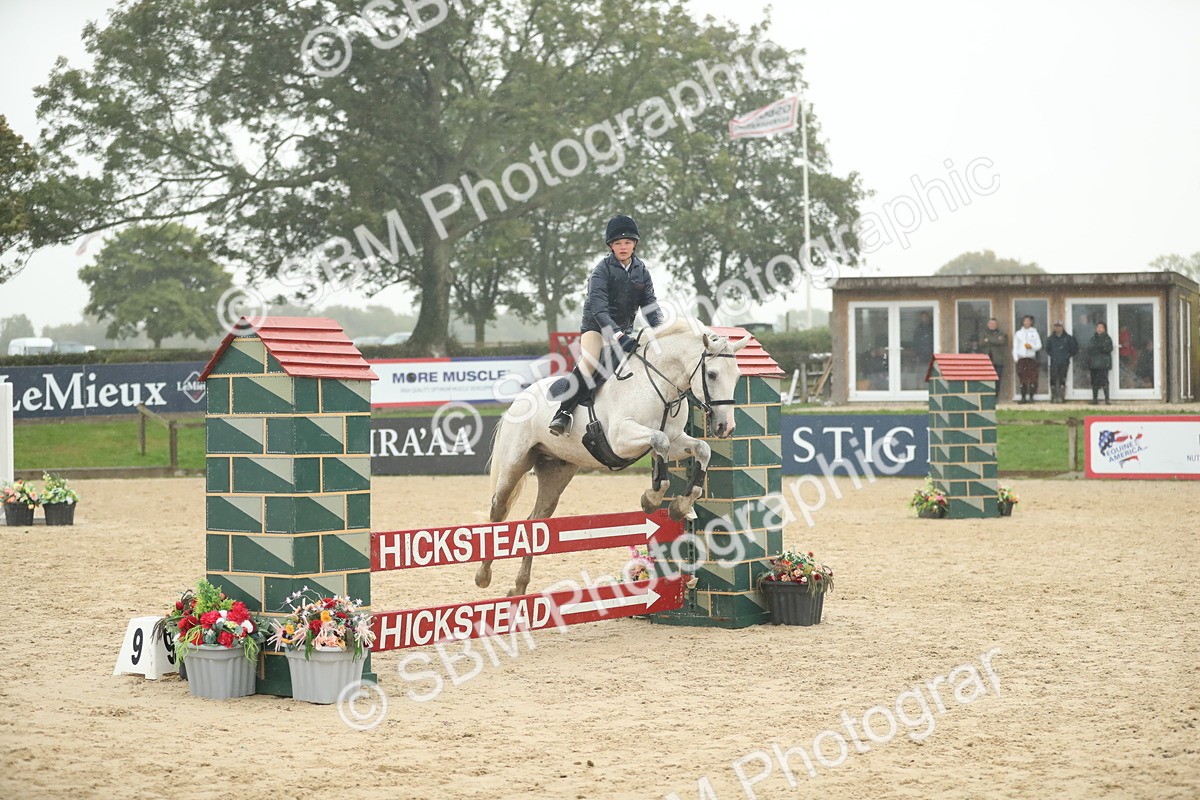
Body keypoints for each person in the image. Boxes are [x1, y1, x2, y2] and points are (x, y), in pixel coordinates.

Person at [549, 215, 664, 436]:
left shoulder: (642, 270)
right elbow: (599, 310)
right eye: (618, 243)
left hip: (624, 332)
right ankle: (563, 413)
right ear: (611, 246)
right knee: (591, 362)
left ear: (635, 244)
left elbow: (650, 306)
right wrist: (619, 336)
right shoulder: (601, 271)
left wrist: (660, 332)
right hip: (596, 328)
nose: (623, 247)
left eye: (627, 242)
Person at [1044, 321, 1078, 403]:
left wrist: (1067, 356)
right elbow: (1047, 349)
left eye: (1059, 326)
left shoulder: (1068, 338)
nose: (1057, 328)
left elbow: (1074, 349)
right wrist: (1053, 356)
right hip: (1054, 362)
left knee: (1062, 379)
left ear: (1062, 327)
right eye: (1056, 326)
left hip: (1064, 362)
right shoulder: (1051, 339)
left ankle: (1061, 397)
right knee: (1053, 379)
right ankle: (1053, 397)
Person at [1011, 315, 1042, 403]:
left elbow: (1039, 346)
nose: (1026, 323)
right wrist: (1016, 359)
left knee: (1032, 378)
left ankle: (1031, 397)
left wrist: (1031, 347)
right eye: (1025, 321)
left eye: (1028, 321)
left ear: (1031, 322)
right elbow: (1015, 347)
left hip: (1031, 358)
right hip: (1021, 359)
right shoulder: (1018, 333)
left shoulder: (1034, 333)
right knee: (1022, 378)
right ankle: (1023, 397)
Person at [977, 318, 1009, 399]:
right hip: (986, 362)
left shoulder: (1001, 333)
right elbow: (981, 343)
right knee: (986, 380)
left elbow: (1002, 342)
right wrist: (995, 340)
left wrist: (988, 340)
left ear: (996, 325)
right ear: (988, 324)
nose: (992, 325)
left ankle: (995, 397)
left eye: (994, 324)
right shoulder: (983, 333)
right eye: (991, 324)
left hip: (998, 362)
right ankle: (987, 397)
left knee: (997, 381)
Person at [1088, 321, 1114, 405]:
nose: (1099, 329)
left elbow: (1108, 349)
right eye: (1098, 327)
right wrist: (1098, 348)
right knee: (1094, 381)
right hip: (1094, 364)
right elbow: (1090, 348)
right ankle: (1094, 399)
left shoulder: (1107, 338)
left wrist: (1099, 347)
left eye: (1101, 327)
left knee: (1104, 381)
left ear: (1104, 329)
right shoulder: (1093, 338)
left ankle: (1107, 399)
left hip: (1103, 363)